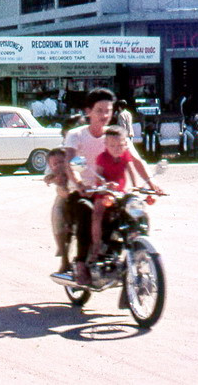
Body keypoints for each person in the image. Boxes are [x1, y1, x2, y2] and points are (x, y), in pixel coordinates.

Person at [63, 88, 153, 283]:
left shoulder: (115, 136)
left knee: (136, 213)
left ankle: (132, 254)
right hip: (84, 191)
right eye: (99, 110)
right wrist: (78, 184)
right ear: (88, 111)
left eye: (108, 110)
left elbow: (136, 161)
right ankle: (81, 262)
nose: (104, 115)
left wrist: (151, 184)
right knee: (86, 211)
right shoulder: (75, 134)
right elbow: (69, 161)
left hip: (112, 192)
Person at [88, 126, 161, 261]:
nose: (117, 148)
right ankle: (96, 247)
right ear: (106, 145)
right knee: (97, 214)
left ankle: (138, 240)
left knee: (138, 211)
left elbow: (131, 170)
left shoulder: (125, 155)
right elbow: (97, 177)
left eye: (120, 145)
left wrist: (136, 187)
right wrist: (105, 185)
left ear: (125, 144)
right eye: (112, 145)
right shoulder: (102, 158)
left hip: (120, 193)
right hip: (105, 193)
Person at [43, 147, 84, 273]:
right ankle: (64, 256)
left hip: (80, 192)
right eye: (55, 164)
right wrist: (54, 179)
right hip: (64, 195)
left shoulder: (74, 156)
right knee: (57, 214)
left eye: (61, 162)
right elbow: (47, 177)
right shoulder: (54, 156)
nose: (59, 165)